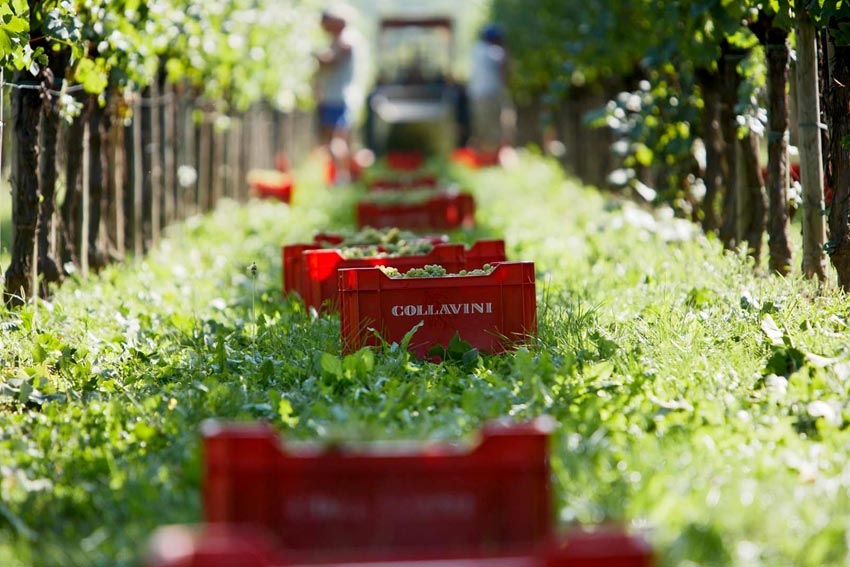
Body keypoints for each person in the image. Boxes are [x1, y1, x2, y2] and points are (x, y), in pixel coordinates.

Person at [314, 5, 362, 184]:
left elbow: (331, 61)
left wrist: (314, 57)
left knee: (337, 140)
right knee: (337, 140)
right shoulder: (341, 39)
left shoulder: (346, 40)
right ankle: (342, 178)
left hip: (338, 98)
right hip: (337, 97)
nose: (324, 28)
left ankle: (341, 179)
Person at [467, 23, 512, 160]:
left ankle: (481, 156)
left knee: (480, 126)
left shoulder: (476, 50)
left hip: (477, 95)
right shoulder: (494, 51)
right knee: (493, 127)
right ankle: (490, 157)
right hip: (490, 95)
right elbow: (506, 63)